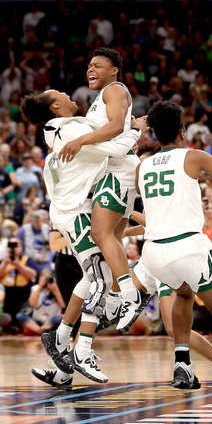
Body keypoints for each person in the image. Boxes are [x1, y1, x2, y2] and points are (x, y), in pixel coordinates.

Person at [22, 89, 142, 385]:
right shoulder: (71, 128)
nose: (68, 93)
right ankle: (81, 350)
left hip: (75, 208)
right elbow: (113, 147)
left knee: (91, 278)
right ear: (56, 105)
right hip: (74, 212)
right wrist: (136, 131)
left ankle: (61, 340)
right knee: (100, 275)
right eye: (61, 93)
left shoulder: (60, 128)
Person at [137, 100, 212, 405]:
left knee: (184, 294)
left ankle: (182, 365)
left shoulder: (143, 165)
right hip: (187, 246)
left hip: (153, 252)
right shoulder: (193, 156)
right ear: (182, 131)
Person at [48, 48, 144, 331]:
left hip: (118, 170)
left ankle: (128, 295)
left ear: (114, 70)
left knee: (100, 236)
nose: (90, 69)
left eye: (98, 65)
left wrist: (81, 141)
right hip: (115, 169)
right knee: (109, 242)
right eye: (89, 65)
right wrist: (135, 130)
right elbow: (123, 125)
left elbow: (115, 126)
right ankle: (105, 311)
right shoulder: (101, 98)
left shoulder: (114, 89)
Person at [17, 267, 66, 334]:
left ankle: (37, 330)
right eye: (44, 278)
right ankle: (41, 330)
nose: (46, 281)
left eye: (48, 278)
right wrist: (40, 287)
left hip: (52, 321)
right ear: (40, 278)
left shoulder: (58, 288)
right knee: (20, 316)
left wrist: (55, 290)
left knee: (61, 318)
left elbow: (63, 306)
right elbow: (32, 304)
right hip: (37, 321)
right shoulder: (35, 288)